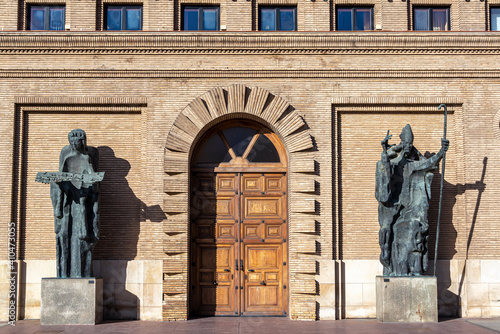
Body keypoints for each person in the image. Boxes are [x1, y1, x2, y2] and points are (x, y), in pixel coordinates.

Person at [376, 124, 449, 276]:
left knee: (414, 237)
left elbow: (429, 163)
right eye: (406, 143)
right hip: (394, 209)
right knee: (390, 233)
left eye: (411, 143)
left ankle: (413, 268)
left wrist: (442, 152)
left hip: (410, 210)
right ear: (401, 142)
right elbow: (383, 170)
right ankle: (391, 266)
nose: (408, 146)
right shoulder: (394, 163)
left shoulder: (413, 166)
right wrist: (386, 150)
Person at [50, 129, 101, 278]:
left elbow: (93, 178)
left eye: (77, 141)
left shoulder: (88, 157)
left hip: (83, 198)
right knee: (65, 234)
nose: (73, 144)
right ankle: (64, 272)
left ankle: (81, 272)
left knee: (83, 236)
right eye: (71, 141)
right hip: (68, 199)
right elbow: (61, 176)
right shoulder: (66, 156)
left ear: (82, 141)